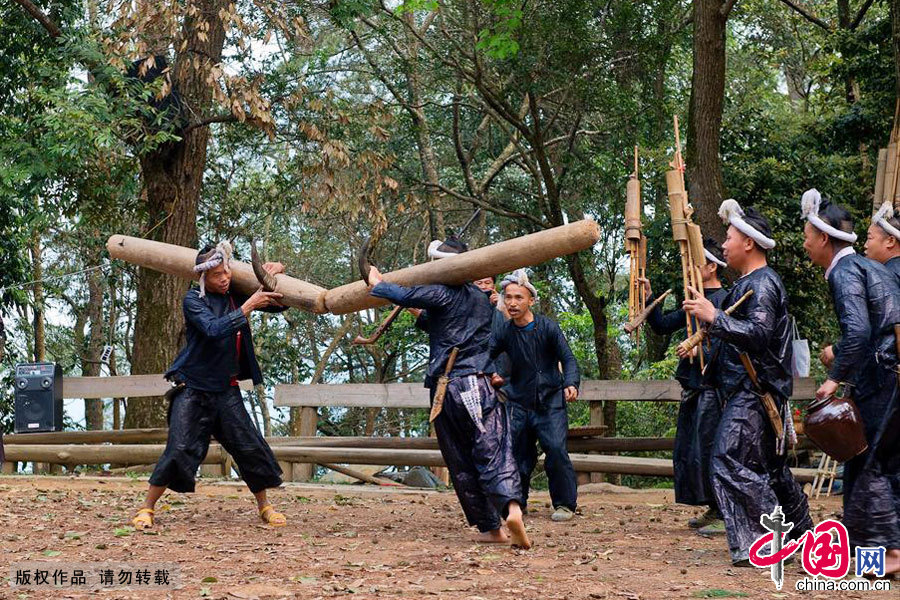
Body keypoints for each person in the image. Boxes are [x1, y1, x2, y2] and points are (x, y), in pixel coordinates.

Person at [366, 237, 531, 548]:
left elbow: (405, 293)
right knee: (494, 450)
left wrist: (378, 282)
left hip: (446, 390)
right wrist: (406, 303)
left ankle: (490, 529)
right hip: (477, 385)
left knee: (460, 462)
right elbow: (435, 322)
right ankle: (511, 509)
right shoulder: (481, 300)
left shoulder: (441, 292)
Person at [682, 199, 812, 566]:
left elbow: (758, 333)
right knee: (771, 467)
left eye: (729, 237)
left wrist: (715, 318)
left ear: (749, 243)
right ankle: (804, 535)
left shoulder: (764, 284)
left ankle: (771, 543)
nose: (723, 246)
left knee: (728, 459)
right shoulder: (751, 283)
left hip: (756, 392)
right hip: (752, 391)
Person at [131, 241, 288, 530]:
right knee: (178, 448)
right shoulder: (193, 300)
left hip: (226, 391)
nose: (224, 278)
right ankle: (146, 508)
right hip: (193, 388)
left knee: (249, 447)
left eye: (226, 271)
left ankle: (265, 506)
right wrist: (248, 306)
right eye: (217, 275)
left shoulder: (235, 296)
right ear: (204, 278)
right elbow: (214, 330)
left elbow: (279, 303)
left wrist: (274, 274)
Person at [800, 189, 900, 575]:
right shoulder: (869, 266)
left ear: (824, 238)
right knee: (887, 464)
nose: (805, 244)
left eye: (808, 236)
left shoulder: (844, 271)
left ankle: (885, 555)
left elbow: (858, 331)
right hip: (891, 375)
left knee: (865, 462)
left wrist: (834, 378)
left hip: (880, 377)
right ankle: (881, 554)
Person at [641, 238, 727, 530]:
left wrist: (701, 350)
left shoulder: (725, 299)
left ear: (712, 266)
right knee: (691, 451)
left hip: (715, 390)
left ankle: (725, 511)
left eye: (695, 263)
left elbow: (732, 343)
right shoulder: (695, 300)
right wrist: (651, 296)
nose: (688, 268)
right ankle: (714, 509)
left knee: (711, 449)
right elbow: (663, 325)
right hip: (694, 387)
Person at [489, 269, 580, 522]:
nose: (512, 303)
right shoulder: (504, 332)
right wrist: (493, 374)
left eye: (519, 297)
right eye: (508, 297)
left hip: (550, 402)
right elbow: (488, 355)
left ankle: (564, 504)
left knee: (556, 450)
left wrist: (571, 382)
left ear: (531, 300)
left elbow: (568, 359)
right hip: (519, 402)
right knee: (518, 455)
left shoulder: (548, 327)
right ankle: (517, 503)